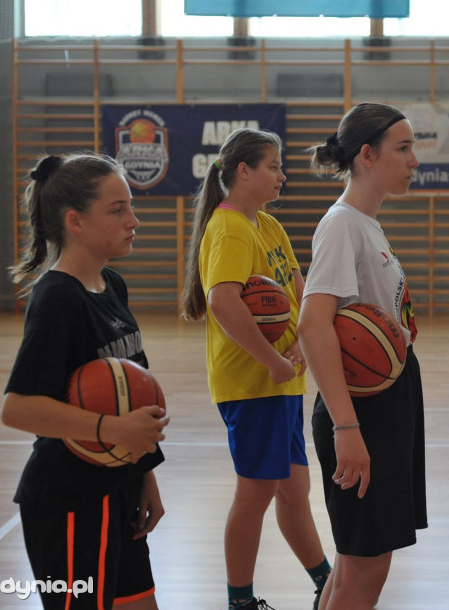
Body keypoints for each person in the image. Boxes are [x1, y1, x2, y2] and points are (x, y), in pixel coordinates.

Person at [1, 153, 169, 610]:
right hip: (70, 498)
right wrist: (113, 432)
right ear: (75, 221)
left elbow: (130, 393)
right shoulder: (56, 298)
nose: (133, 220)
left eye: (130, 206)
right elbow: (17, 407)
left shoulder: (112, 285)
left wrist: (144, 475)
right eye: (117, 210)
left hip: (120, 488)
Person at [179, 128, 330, 610]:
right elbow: (224, 303)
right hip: (254, 384)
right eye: (274, 166)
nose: (283, 175)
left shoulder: (267, 225)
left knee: (294, 490)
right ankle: (239, 601)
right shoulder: (229, 228)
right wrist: (273, 362)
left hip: (281, 382)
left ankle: (326, 581)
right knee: (257, 493)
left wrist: (304, 348)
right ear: (243, 171)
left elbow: (300, 294)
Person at [297, 103, 426, 610]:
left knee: (355, 562)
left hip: (384, 406)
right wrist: (346, 429)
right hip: (362, 413)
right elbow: (313, 324)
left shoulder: (365, 224)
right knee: (366, 567)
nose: (414, 159)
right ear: (368, 155)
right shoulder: (342, 224)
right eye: (404, 147)